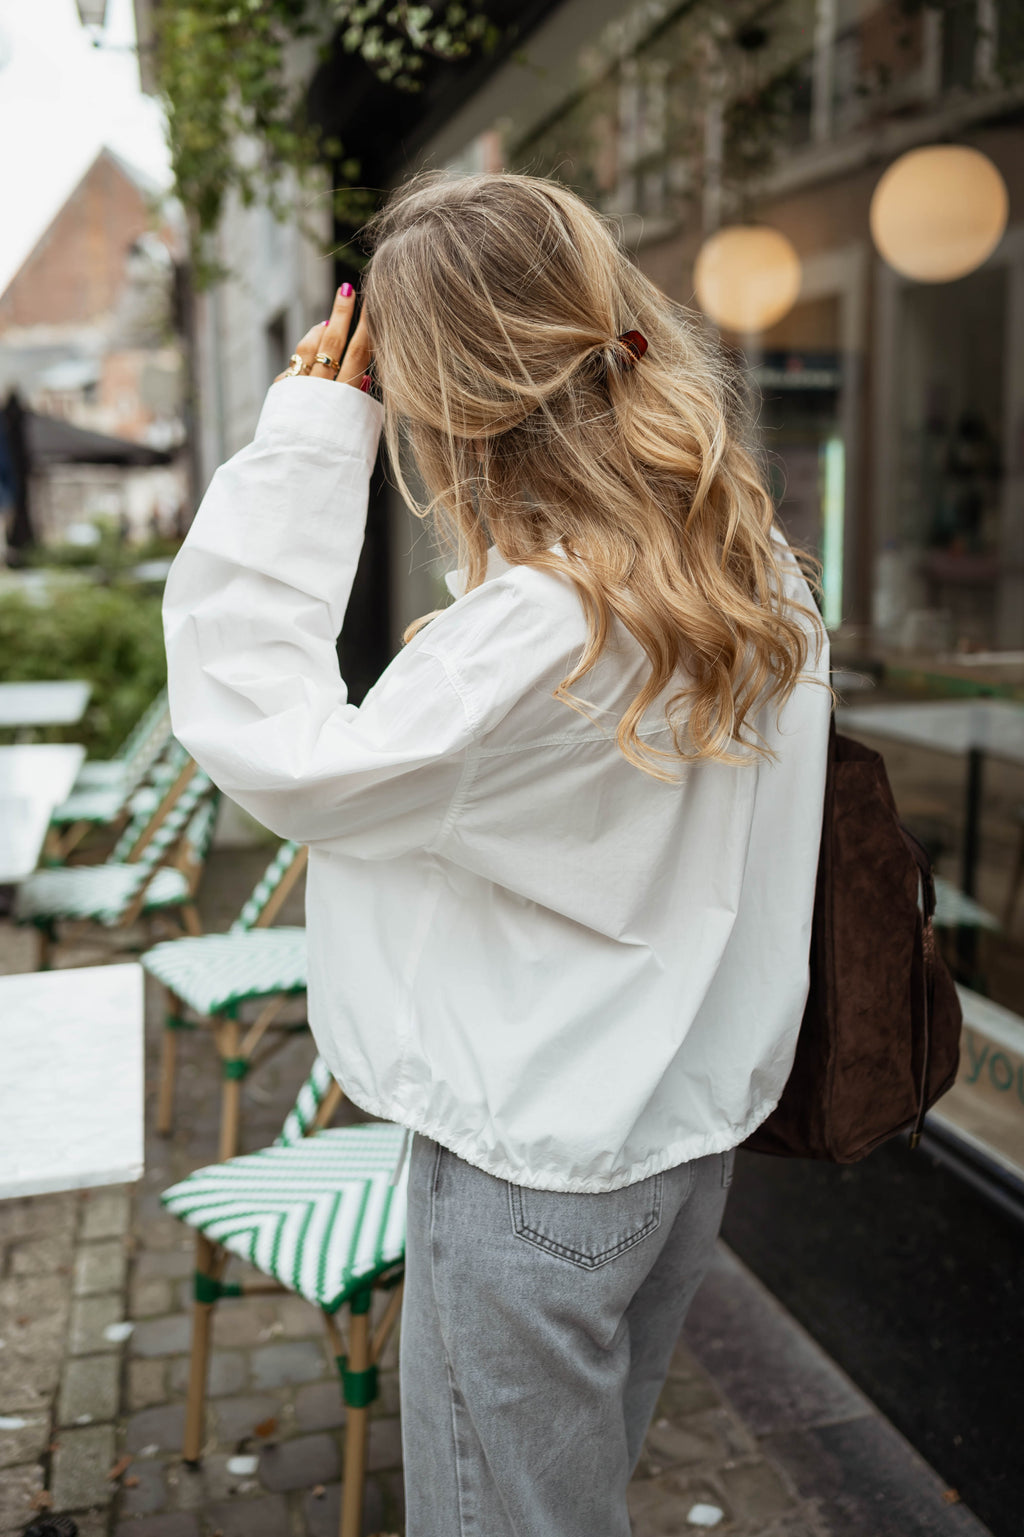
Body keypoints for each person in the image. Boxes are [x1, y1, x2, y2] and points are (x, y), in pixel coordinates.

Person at [163, 170, 831, 1536]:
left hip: (535, 1164)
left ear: (446, 405)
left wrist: (306, 440)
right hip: (676, 1139)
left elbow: (272, 742)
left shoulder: (538, 632)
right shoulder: (751, 564)